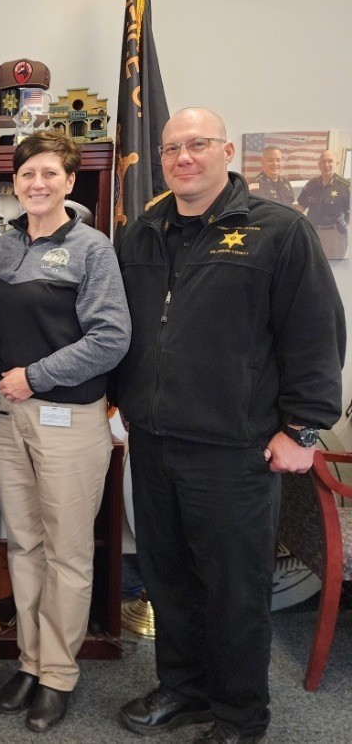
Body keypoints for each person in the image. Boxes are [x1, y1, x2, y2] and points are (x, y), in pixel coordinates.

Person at [115, 108, 345, 744]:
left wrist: (301, 430)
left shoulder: (279, 232)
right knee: (169, 578)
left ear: (223, 152)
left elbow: (318, 335)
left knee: (234, 590)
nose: (183, 157)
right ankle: (185, 691)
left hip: (236, 451)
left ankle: (242, 717)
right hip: (155, 443)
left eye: (197, 145)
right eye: (171, 149)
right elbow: (125, 330)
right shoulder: (141, 233)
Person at [0, 131, 131, 733]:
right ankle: (31, 660)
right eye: (26, 175)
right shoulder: (2, 248)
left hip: (66, 418)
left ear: (69, 181)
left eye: (49, 174)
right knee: (23, 544)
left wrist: (34, 378)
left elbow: (112, 340)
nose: (36, 184)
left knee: (67, 551)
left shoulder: (93, 249)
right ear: (14, 184)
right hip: (3, 418)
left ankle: (60, 673)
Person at [298, 149, 350, 259]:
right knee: (314, 266)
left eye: (330, 161)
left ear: (336, 163)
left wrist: (344, 227)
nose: (326, 165)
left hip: (335, 236)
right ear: (319, 164)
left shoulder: (345, 186)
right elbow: (300, 207)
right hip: (313, 234)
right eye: (323, 161)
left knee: (334, 270)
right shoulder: (311, 185)